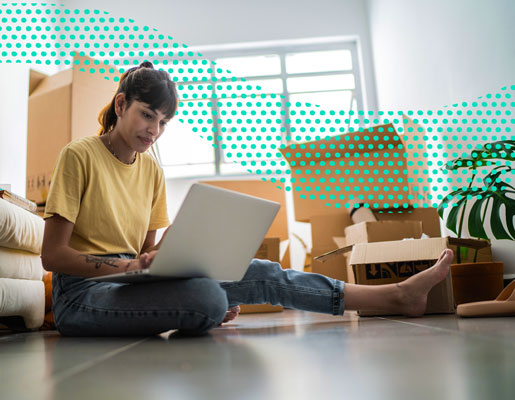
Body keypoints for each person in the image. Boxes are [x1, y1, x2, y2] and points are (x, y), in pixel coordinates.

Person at [41, 61, 454, 337]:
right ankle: (199, 307)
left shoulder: (152, 171)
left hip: (129, 283)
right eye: (147, 115)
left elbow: (147, 254)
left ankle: (396, 296)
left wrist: (163, 259)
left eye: (164, 122)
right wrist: (132, 265)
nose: (154, 130)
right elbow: (53, 256)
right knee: (207, 298)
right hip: (80, 295)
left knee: (262, 271)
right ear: (121, 104)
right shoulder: (79, 155)